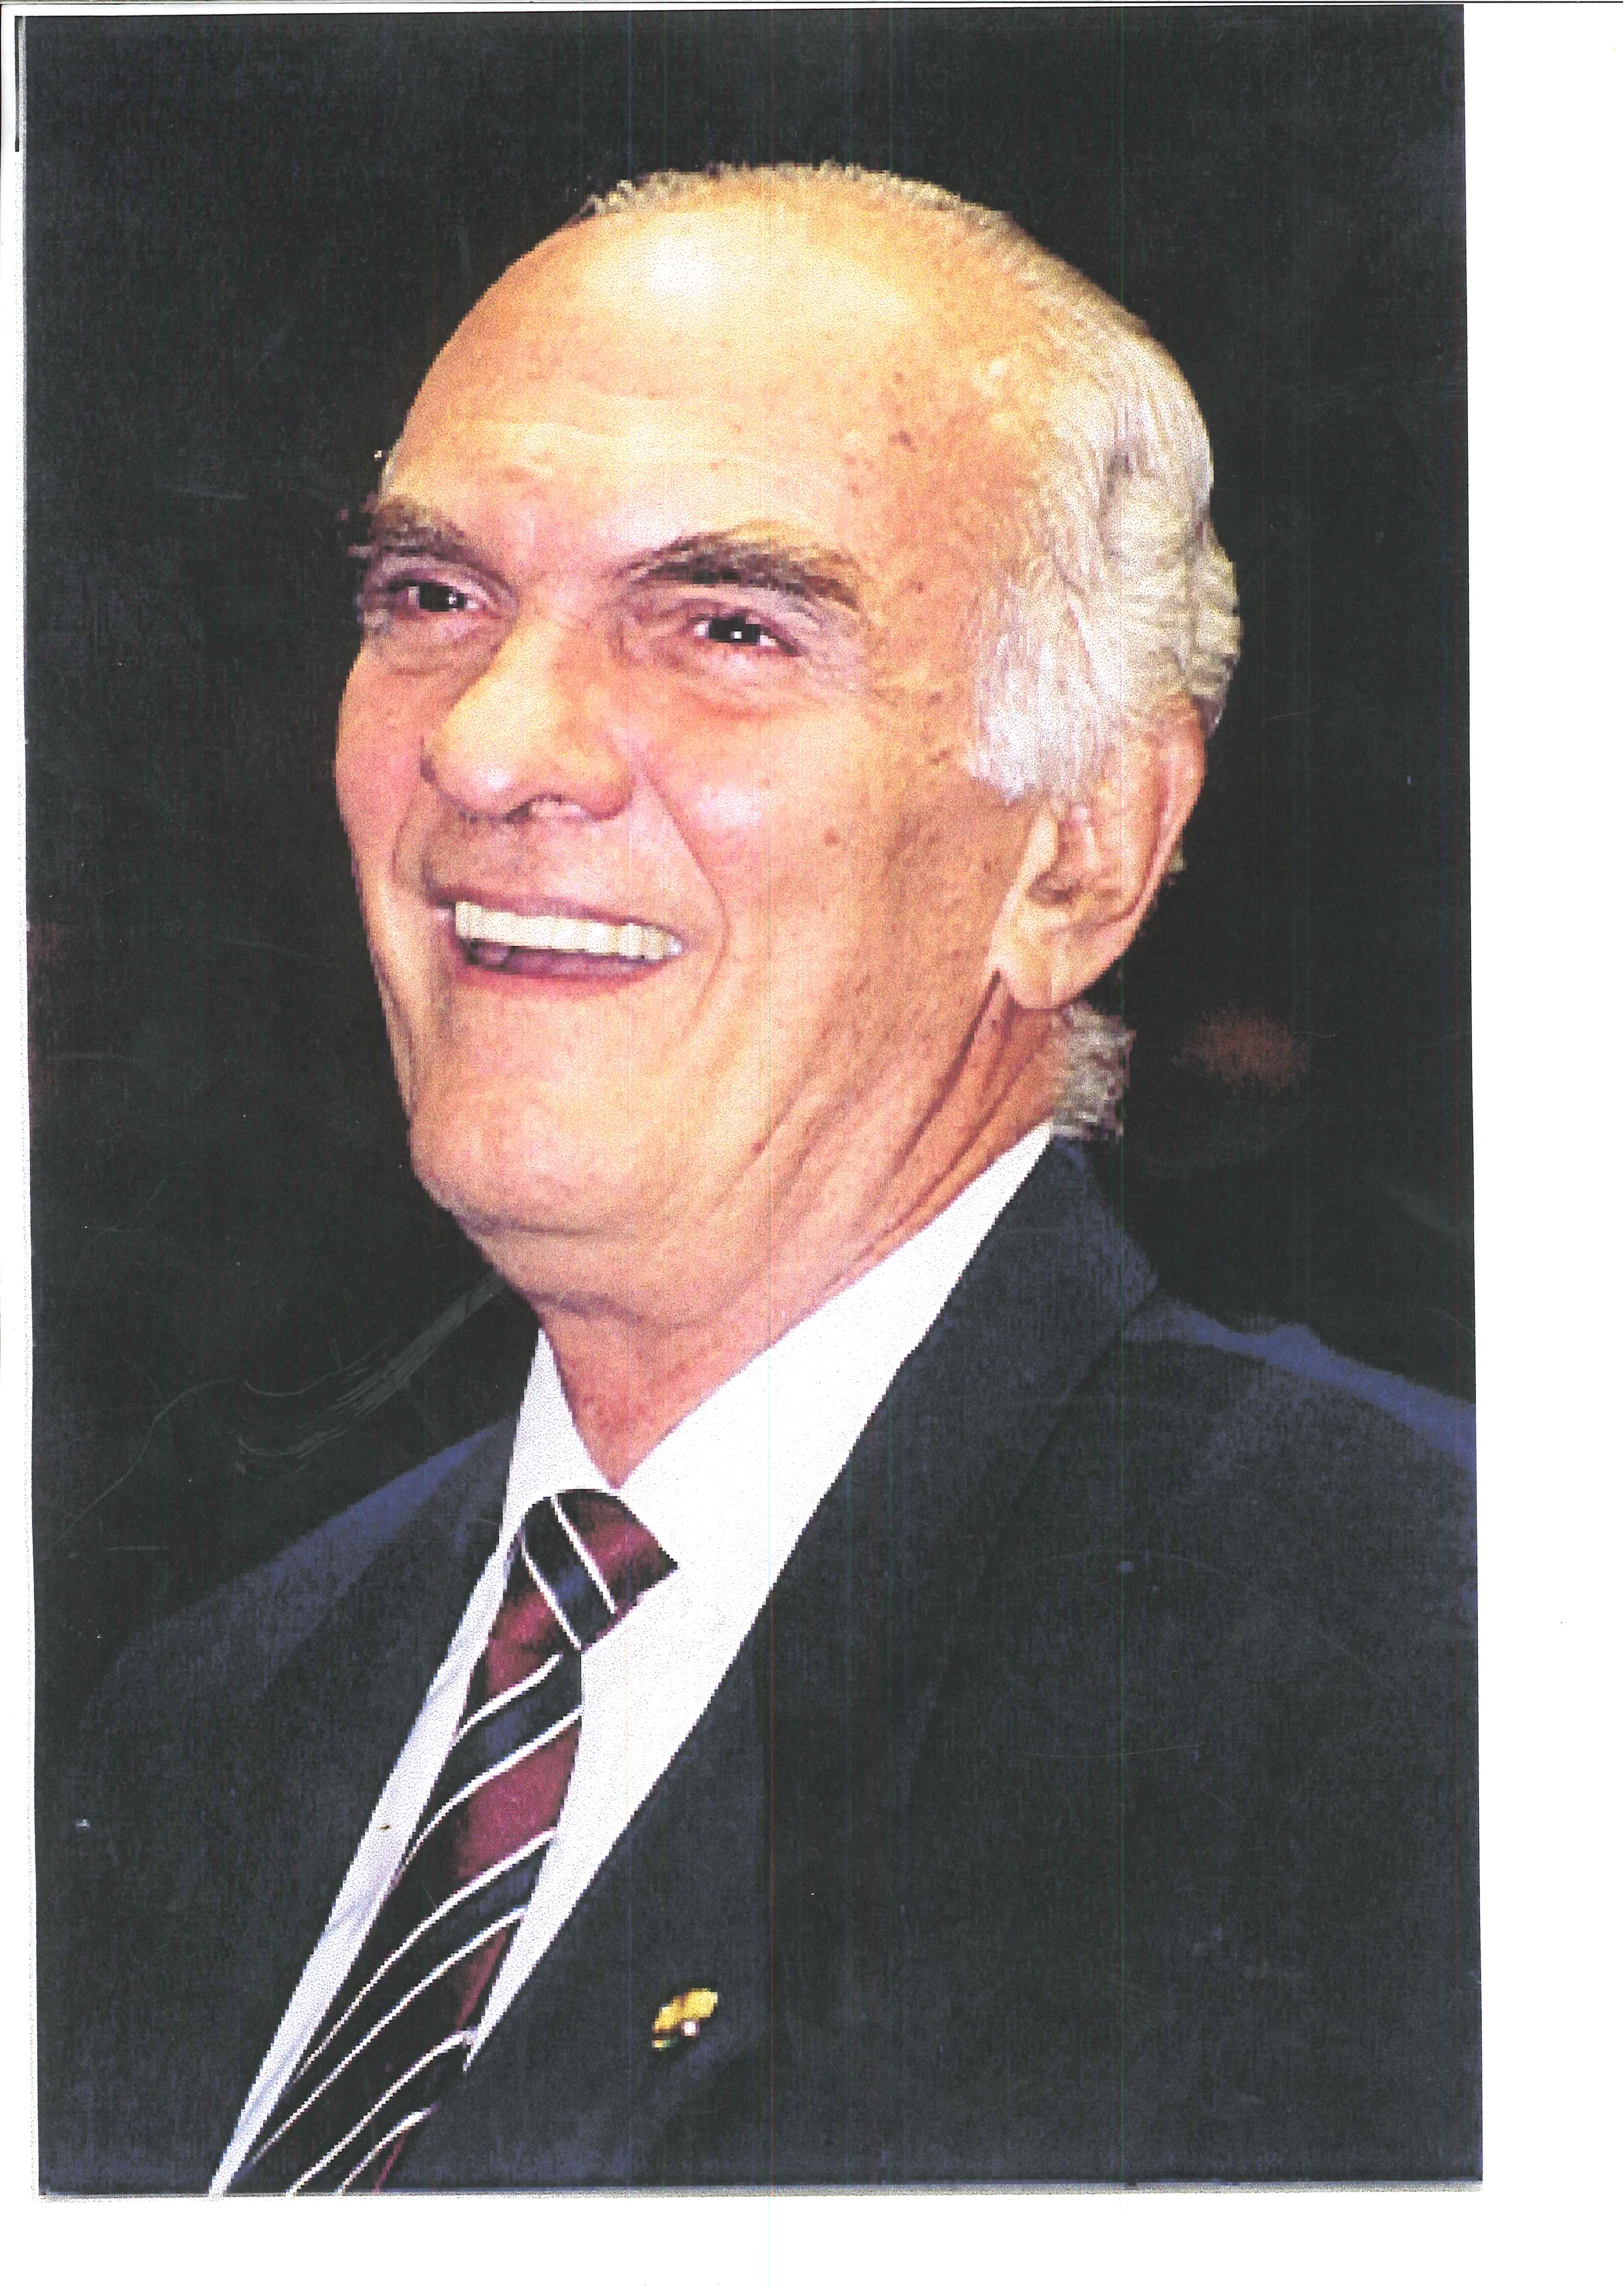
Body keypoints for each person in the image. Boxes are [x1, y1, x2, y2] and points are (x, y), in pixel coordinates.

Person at [38, 163, 1477, 2191]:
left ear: (1078, 849)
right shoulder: (203, 1712)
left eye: (724, 625)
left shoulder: (1420, 1676)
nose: (488, 749)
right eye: (433, 598)